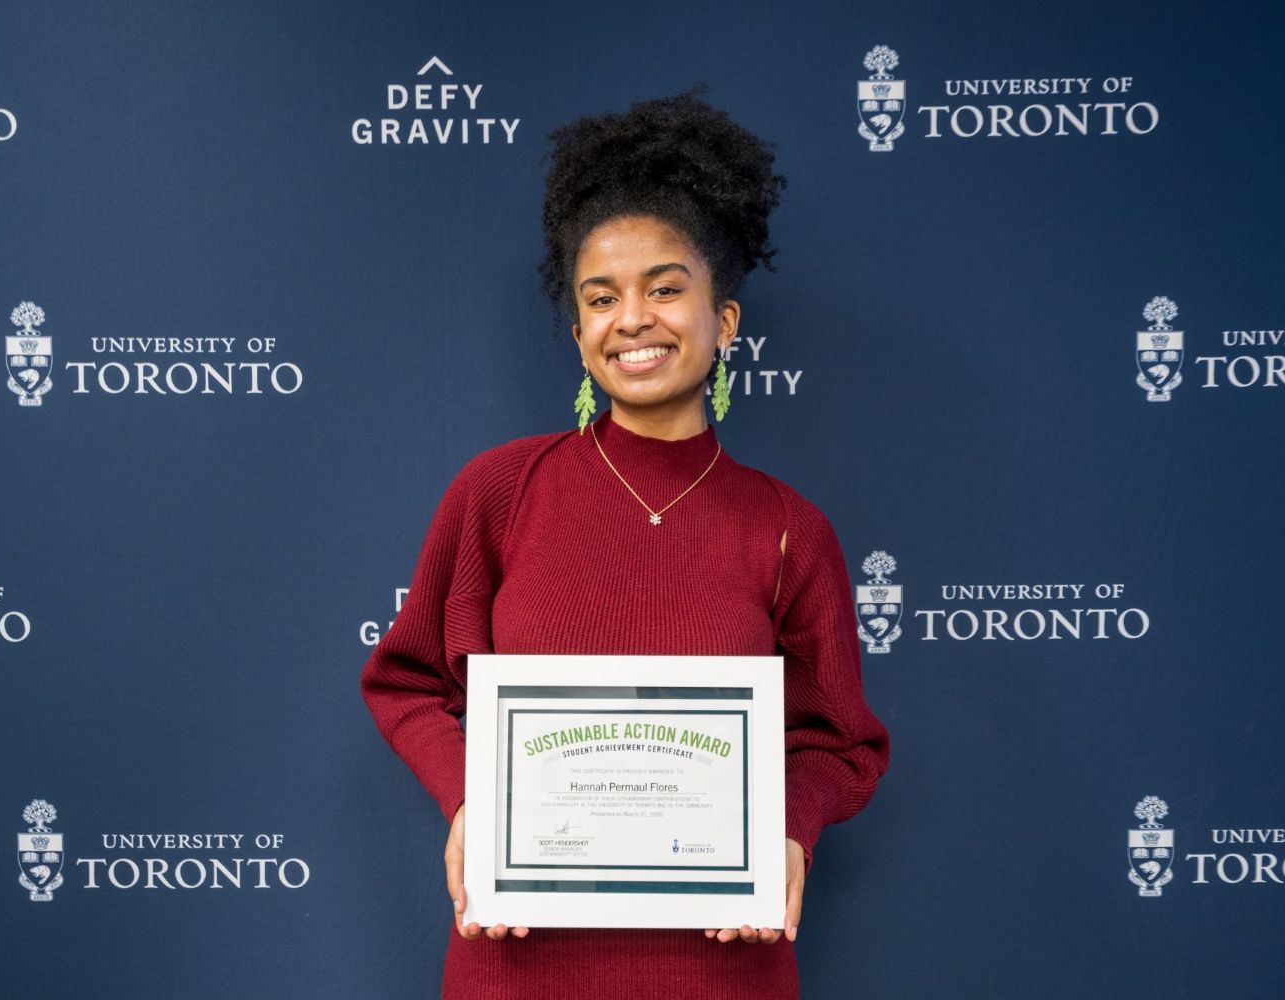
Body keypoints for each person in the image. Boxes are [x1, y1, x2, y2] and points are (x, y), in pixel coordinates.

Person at [360, 87, 890, 1000]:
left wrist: (789, 832)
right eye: (601, 298)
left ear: (724, 320)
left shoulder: (789, 529)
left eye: (665, 289)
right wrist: (469, 805)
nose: (632, 318)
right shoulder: (500, 492)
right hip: (517, 958)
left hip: (721, 965)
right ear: (578, 335)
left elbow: (839, 742)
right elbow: (407, 681)